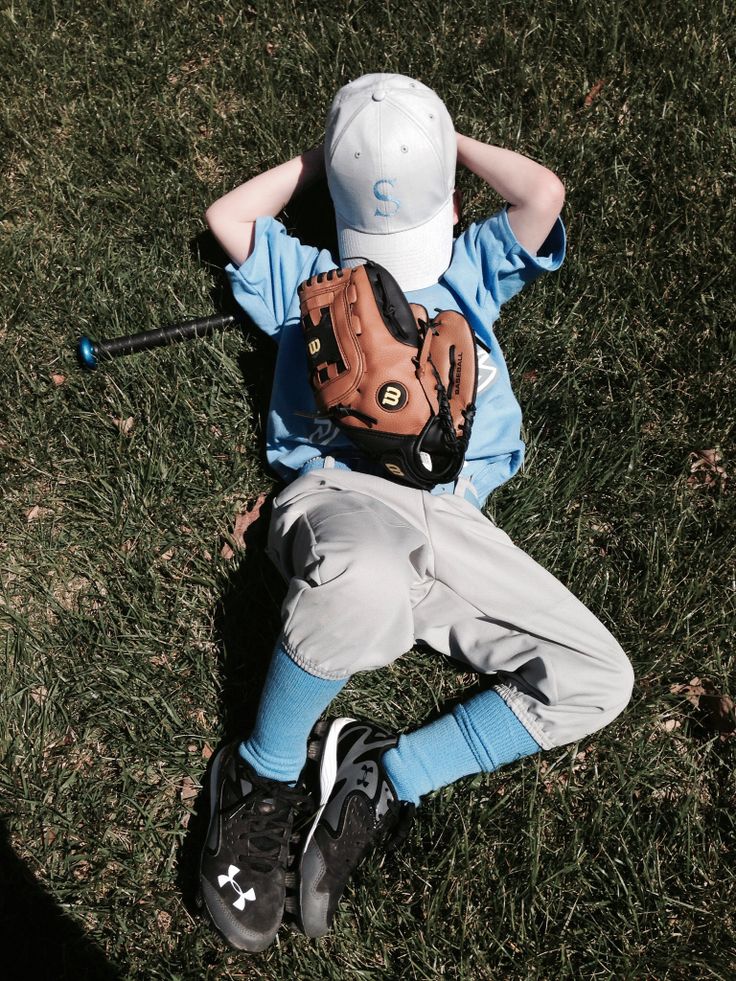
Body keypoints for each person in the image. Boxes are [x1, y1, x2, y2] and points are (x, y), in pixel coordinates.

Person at [198, 73, 634, 953]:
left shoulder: (469, 268)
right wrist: (344, 161)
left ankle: (385, 773)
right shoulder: (312, 283)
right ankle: (260, 775)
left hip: (458, 524)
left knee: (599, 677)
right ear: (452, 202)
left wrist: (399, 154)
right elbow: (227, 222)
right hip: (342, 498)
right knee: (363, 587)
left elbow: (543, 196)